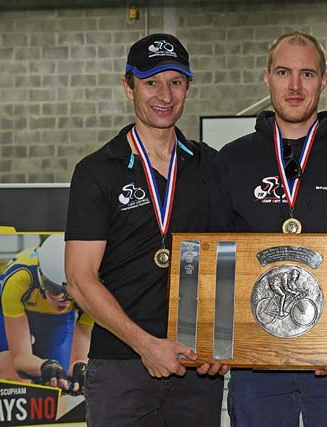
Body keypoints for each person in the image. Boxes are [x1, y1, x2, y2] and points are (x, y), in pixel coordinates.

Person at [210, 31, 327, 427]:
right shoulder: (233, 160)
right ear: (266, 77)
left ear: (324, 81)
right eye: (284, 72)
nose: (295, 86)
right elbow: (217, 260)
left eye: (307, 74)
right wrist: (217, 343)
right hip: (256, 369)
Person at [64, 33, 226, 427]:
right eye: (151, 81)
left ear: (188, 86)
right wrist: (145, 346)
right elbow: (80, 280)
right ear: (128, 86)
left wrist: (223, 343)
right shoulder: (97, 171)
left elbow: (233, 260)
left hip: (195, 365)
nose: (164, 95)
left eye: (175, 82)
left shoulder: (212, 166)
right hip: (121, 366)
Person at [0, 234, 91, 394]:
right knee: (15, 387)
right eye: (56, 289)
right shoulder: (18, 279)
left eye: (71, 291)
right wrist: (44, 366)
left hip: (54, 318)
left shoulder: (92, 288)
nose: (64, 300)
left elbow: (79, 356)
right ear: (41, 277)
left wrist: (79, 368)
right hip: (2, 308)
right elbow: (20, 360)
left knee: (59, 389)